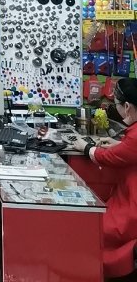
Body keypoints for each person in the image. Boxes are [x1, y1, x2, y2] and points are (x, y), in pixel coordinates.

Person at [74, 78, 137, 281]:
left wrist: (85, 147)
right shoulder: (133, 135)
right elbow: (128, 150)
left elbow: (108, 157)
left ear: (127, 107)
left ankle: (97, 271)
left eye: (116, 104)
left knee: (98, 230)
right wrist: (117, 143)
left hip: (130, 208)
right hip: (126, 197)